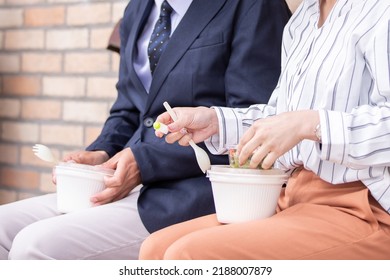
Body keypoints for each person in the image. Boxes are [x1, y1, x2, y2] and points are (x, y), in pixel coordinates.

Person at [0, 0, 291, 259]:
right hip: (121, 185)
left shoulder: (253, 5)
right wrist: (103, 151)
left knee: (33, 246)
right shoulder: (137, 9)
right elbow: (128, 108)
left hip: (192, 194)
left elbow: (256, 123)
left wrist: (144, 162)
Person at [139, 0, 390, 259]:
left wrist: (310, 123)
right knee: (155, 250)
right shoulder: (302, 20)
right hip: (293, 195)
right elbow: (281, 119)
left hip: (366, 207)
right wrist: (214, 121)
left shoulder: (381, 10)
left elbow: (298, 123)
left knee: (189, 256)